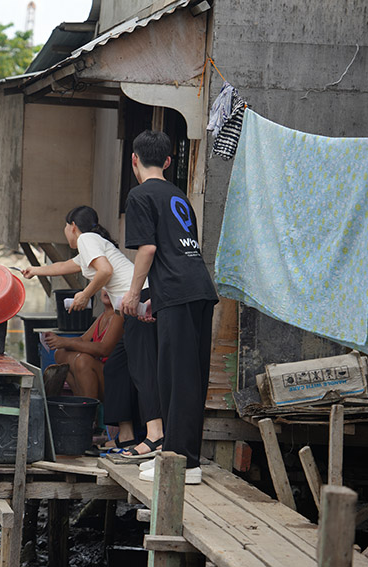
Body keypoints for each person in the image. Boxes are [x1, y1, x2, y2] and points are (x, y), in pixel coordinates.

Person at [121, 130, 218, 485]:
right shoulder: (179, 195)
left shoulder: (140, 195)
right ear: (167, 161)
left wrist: (133, 295)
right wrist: (152, 298)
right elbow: (179, 252)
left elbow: (148, 249)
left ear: (134, 160)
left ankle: (182, 464)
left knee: (176, 380)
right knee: (188, 378)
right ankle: (180, 458)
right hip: (198, 290)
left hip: (178, 293)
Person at [22, 206, 158, 453]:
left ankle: (154, 436)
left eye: (65, 228)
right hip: (129, 307)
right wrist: (35, 270)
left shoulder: (86, 239)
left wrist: (85, 295)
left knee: (142, 369)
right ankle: (126, 436)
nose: (66, 232)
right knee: (117, 367)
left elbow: (105, 271)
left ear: (72, 225)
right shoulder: (92, 243)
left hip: (141, 302)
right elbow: (64, 266)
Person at [40, 290, 123, 401]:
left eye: (112, 287)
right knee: (60, 353)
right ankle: (81, 403)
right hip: (99, 376)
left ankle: (89, 411)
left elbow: (104, 349)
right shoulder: (103, 316)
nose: (107, 290)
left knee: (83, 360)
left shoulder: (118, 316)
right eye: (105, 286)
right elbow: (82, 339)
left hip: (114, 379)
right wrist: (57, 339)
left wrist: (65, 342)